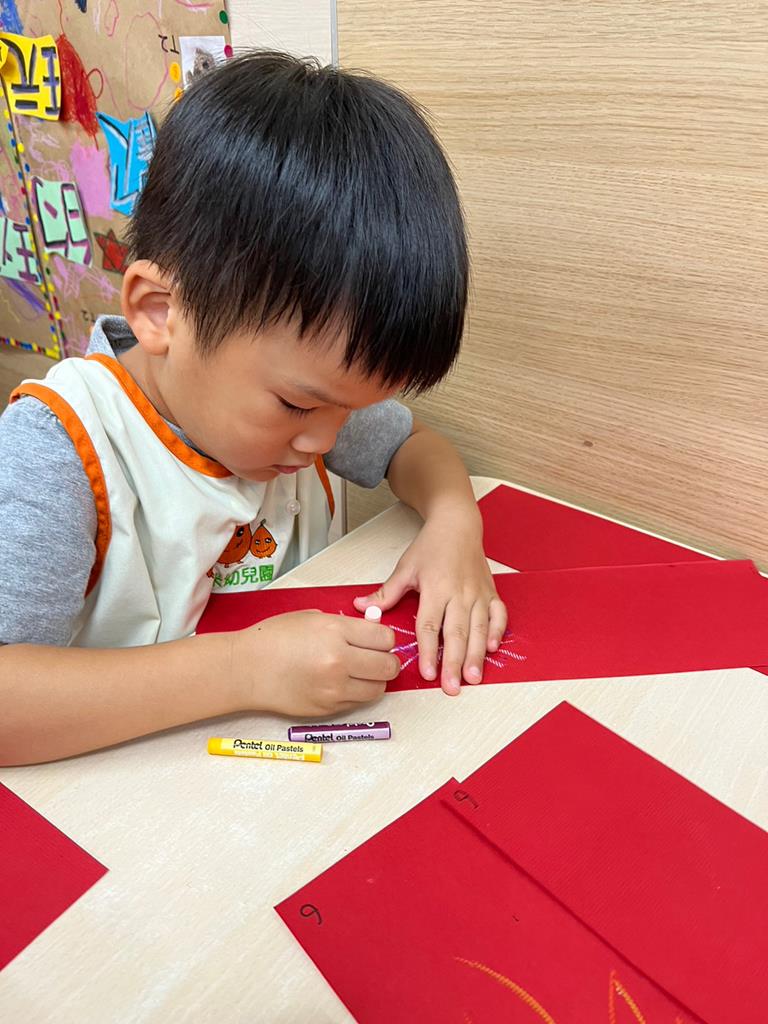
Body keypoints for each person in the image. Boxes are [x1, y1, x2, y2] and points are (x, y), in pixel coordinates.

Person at [0, 52, 506, 765]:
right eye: (298, 404)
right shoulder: (58, 449)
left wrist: (455, 521)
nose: (326, 440)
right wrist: (244, 670)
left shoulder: (314, 404)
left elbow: (413, 447)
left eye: (350, 410)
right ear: (160, 312)